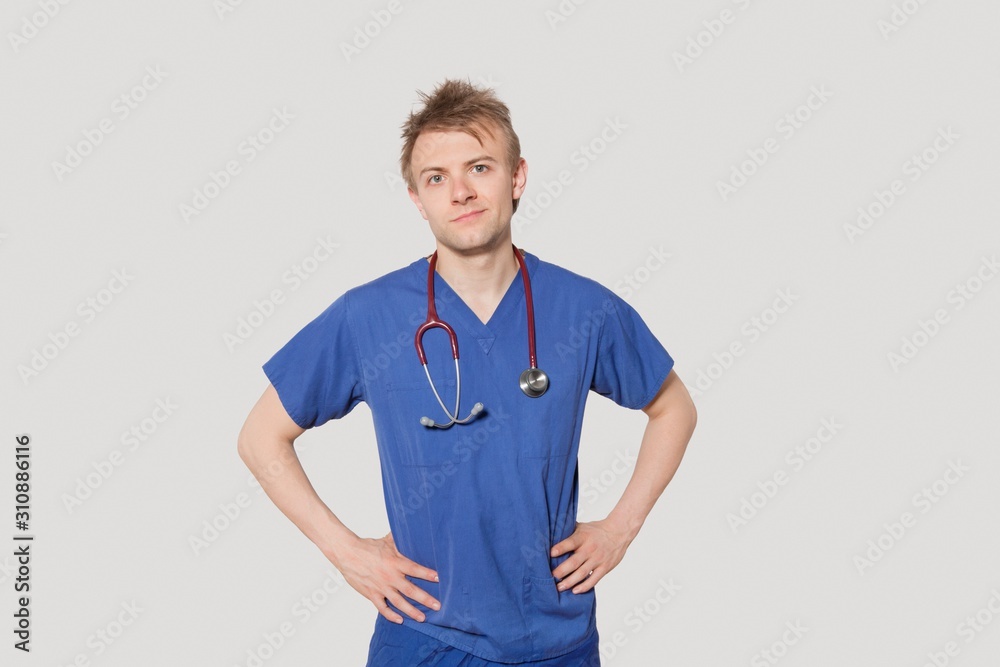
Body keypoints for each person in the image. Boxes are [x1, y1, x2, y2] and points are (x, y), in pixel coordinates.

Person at [237, 78, 697, 666]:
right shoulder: (367, 316)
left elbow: (673, 407)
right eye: (436, 178)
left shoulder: (585, 310)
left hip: (555, 639)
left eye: (479, 167)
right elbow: (260, 438)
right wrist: (346, 552)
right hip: (424, 636)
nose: (459, 191)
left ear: (516, 178)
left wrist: (620, 528)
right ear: (416, 198)